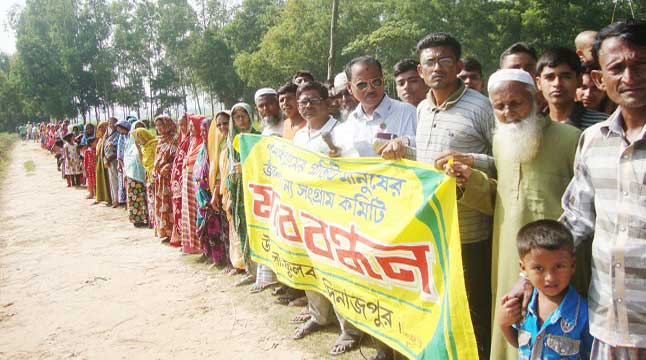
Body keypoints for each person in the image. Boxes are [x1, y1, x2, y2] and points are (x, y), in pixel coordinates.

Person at [442, 68, 582, 360]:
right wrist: (471, 179)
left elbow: (581, 207)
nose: (508, 112)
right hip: (508, 255)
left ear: (535, 98)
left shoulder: (572, 139)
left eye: (516, 103)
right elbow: (502, 197)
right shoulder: (501, 141)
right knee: (510, 321)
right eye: (500, 106)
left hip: (555, 262)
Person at [382, 32, 495, 359]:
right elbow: (429, 157)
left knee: (473, 310)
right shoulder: (421, 110)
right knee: (442, 307)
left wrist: (471, 161)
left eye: (445, 60)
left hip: (471, 232)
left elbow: (505, 162)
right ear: (420, 70)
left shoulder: (481, 106)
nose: (437, 67)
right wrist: (403, 148)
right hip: (433, 228)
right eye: (430, 62)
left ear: (458, 65)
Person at [560, 20, 646, 358]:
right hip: (609, 323)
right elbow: (577, 219)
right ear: (599, 79)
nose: (629, 77)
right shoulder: (593, 141)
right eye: (617, 68)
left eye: (640, 65)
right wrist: (529, 275)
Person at [290, 81, 359, 356]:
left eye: (314, 100)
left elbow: (354, 171)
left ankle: (350, 329)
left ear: (327, 101)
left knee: (339, 272)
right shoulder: (298, 137)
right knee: (312, 268)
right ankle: (319, 316)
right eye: (303, 101)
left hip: (337, 214)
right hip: (307, 212)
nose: (308, 105)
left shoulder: (341, 131)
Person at [497, 220, 592, 359]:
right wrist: (503, 324)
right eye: (539, 268)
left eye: (559, 266)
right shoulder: (522, 304)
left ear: (572, 265)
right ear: (523, 268)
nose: (550, 278)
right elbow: (520, 343)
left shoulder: (583, 314)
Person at [336, 55, 416, 157]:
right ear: (349, 88)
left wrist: (404, 144)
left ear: (383, 80)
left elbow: (425, 150)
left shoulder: (408, 113)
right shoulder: (350, 123)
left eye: (376, 82)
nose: (370, 89)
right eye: (362, 85)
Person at [221, 103, 260, 283]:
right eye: (237, 117)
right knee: (241, 228)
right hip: (237, 192)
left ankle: (261, 272)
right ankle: (249, 269)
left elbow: (263, 164)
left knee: (257, 230)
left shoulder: (257, 138)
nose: (241, 119)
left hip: (254, 192)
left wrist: (246, 167)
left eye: (244, 115)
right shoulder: (231, 141)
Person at [536, 47, 608, 130]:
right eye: (549, 77)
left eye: (566, 77)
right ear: (539, 83)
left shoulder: (603, 124)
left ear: (579, 80)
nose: (557, 83)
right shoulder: (532, 125)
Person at [193, 115, 226, 265]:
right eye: (200, 131)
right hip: (202, 197)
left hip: (212, 195)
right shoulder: (202, 149)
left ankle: (220, 258)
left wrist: (212, 191)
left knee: (216, 229)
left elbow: (217, 171)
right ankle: (209, 254)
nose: (202, 134)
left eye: (204, 131)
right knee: (205, 229)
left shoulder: (216, 147)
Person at [181, 114, 206, 254]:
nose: (190, 129)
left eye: (192, 126)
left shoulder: (203, 143)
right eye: (189, 126)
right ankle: (190, 244)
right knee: (188, 213)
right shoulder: (192, 142)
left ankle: (200, 245)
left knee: (196, 212)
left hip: (195, 183)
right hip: (187, 183)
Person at [152, 115, 178, 242]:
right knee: (161, 203)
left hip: (169, 178)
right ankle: (164, 230)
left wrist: (168, 166)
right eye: (157, 126)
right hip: (159, 179)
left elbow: (177, 159)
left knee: (169, 204)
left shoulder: (175, 139)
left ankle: (172, 230)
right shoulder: (160, 140)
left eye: (161, 125)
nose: (159, 128)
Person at [123, 121, 149, 228]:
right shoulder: (129, 144)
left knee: (145, 197)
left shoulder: (149, 144)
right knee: (135, 198)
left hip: (146, 175)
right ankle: (136, 219)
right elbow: (126, 159)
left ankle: (147, 217)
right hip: (132, 175)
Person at [132, 126, 158, 230]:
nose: (138, 141)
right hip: (148, 175)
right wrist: (139, 149)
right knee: (151, 200)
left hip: (155, 176)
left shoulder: (154, 144)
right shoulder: (144, 147)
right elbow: (143, 161)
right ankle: (153, 222)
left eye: (139, 138)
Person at [170, 114, 190, 247]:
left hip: (185, 182)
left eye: (184, 124)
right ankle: (181, 238)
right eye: (180, 125)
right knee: (178, 209)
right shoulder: (180, 140)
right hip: (177, 182)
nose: (182, 128)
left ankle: (186, 240)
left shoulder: (191, 140)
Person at [104, 117, 120, 208]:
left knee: (116, 180)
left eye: (112, 123)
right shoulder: (109, 135)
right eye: (109, 123)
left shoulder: (118, 134)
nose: (111, 125)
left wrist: (108, 159)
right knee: (112, 180)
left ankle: (117, 200)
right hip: (109, 160)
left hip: (114, 160)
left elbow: (117, 149)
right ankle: (114, 199)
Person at [94, 121, 111, 205]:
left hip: (104, 161)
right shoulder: (100, 139)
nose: (102, 129)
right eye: (100, 127)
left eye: (104, 127)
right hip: (99, 161)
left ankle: (108, 198)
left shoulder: (107, 138)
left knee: (107, 180)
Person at [115, 120, 131, 206]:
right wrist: (119, 162)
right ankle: (124, 201)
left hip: (129, 163)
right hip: (123, 162)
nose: (118, 130)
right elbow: (119, 150)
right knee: (123, 182)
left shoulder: (130, 136)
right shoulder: (121, 137)